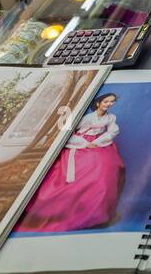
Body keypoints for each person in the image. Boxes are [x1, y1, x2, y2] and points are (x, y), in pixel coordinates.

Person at [17, 91, 125, 233]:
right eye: (106, 102)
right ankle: (73, 212)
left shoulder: (111, 117)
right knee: (91, 167)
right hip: (79, 144)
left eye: (111, 102)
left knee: (110, 164)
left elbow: (112, 131)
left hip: (99, 143)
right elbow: (70, 133)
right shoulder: (86, 118)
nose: (108, 104)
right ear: (98, 103)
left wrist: (99, 141)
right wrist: (84, 143)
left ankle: (99, 213)